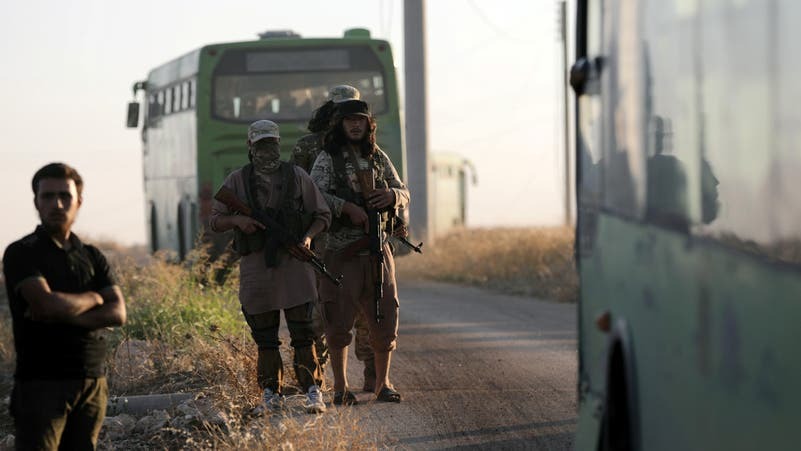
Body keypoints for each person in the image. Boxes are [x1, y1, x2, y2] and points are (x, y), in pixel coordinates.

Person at [209, 120, 331, 414]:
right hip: (257, 268)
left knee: (303, 334)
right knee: (265, 338)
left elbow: (322, 215)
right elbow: (215, 219)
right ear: (250, 147)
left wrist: (307, 238)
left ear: (279, 144)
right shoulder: (238, 180)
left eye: (271, 144)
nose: (267, 151)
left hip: (294, 266)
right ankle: (269, 393)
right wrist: (238, 221)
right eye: (261, 145)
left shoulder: (297, 176)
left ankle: (313, 390)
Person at [2, 162, 127, 450]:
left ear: (78, 201)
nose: (57, 204)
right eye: (47, 196)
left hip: (92, 382)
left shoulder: (92, 256)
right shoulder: (22, 252)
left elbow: (118, 313)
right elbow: (45, 306)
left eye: (65, 196)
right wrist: (95, 299)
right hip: (42, 383)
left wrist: (64, 313)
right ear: (36, 202)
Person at [310, 98, 409, 404]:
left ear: (369, 124)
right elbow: (313, 195)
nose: (355, 125)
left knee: (385, 316)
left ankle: (383, 384)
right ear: (340, 124)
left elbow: (404, 191)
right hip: (341, 253)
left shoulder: (377, 157)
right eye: (349, 120)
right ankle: (340, 388)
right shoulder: (328, 158)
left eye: (360, 120)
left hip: (377, 251)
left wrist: (391, 196)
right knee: (337, 319)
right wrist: (347, 207)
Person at [292, 84, 378, 392]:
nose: (353, 121)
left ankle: (334, 376)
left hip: (351, 240)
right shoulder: (316, 149)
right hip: (326, 241)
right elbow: (301, 193)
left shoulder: (366, 148)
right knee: (345, 306)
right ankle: (329, 377)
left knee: (356, 304)